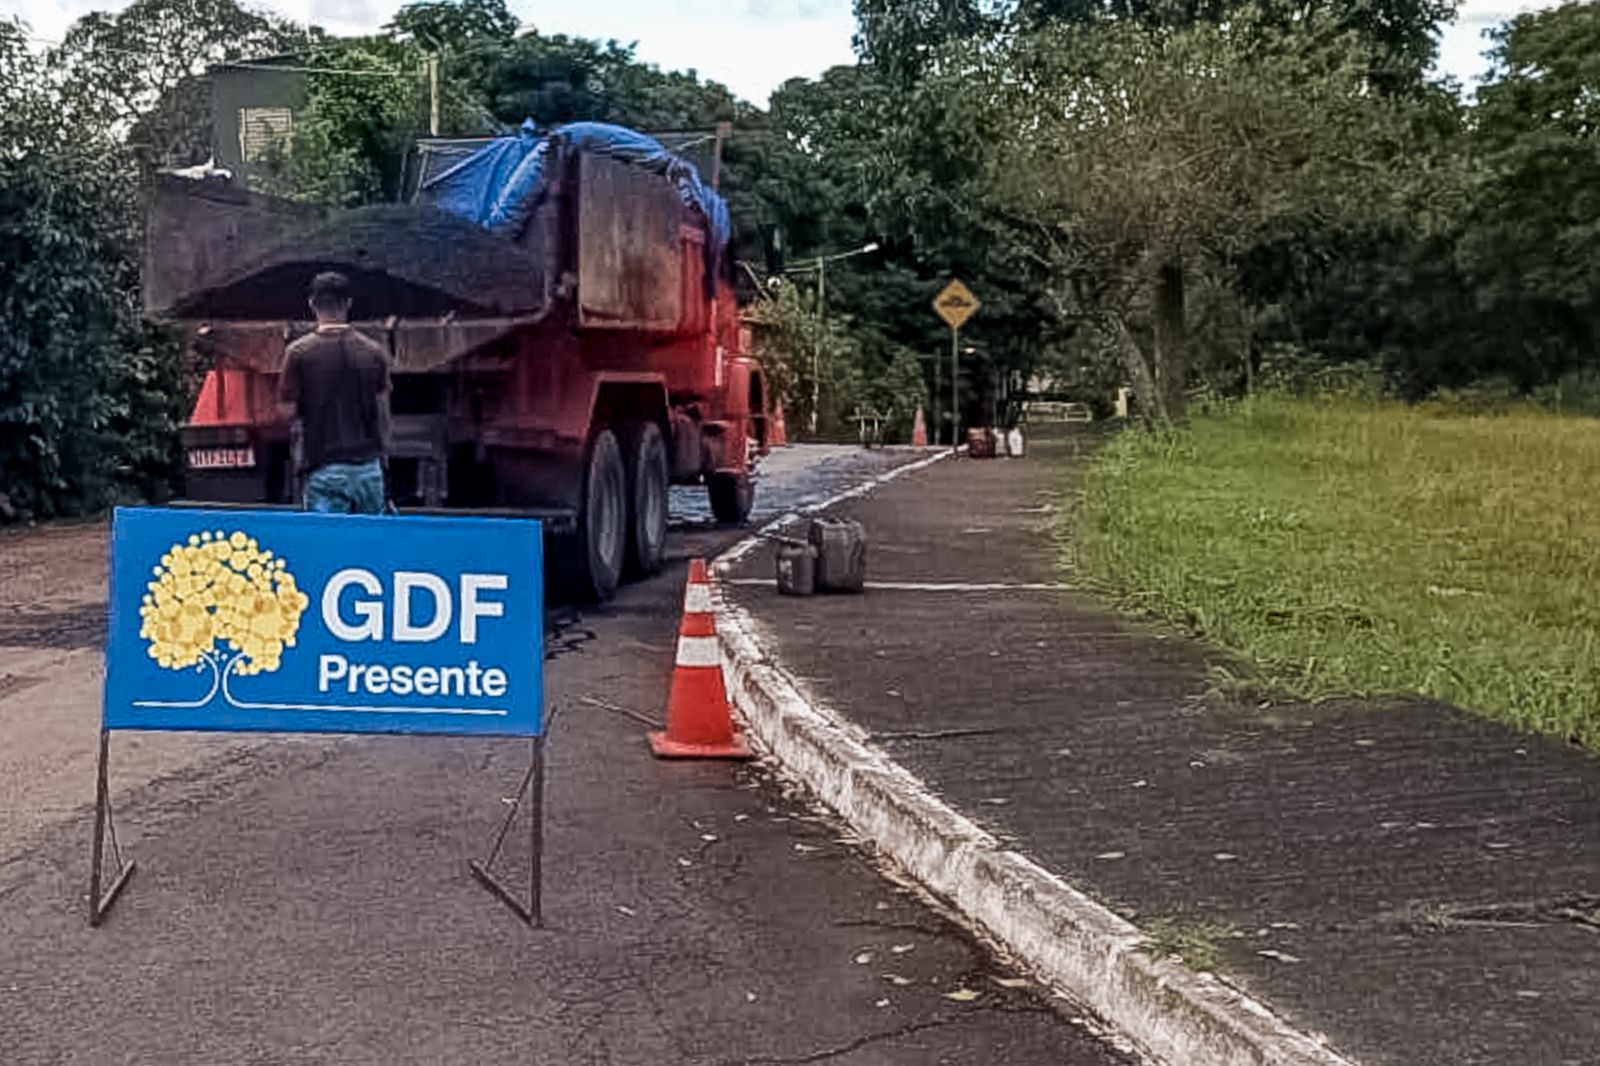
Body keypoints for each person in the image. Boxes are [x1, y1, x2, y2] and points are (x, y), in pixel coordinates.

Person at [277, 271, 392, 514]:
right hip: (368, 470)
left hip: (324, 469)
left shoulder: (298, 353)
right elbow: (383, 415)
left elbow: (286, 413)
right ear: (349, 303)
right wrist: (383, 460)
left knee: (327, 547)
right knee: (372, 545)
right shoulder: (374, 351)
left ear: (311, 304)